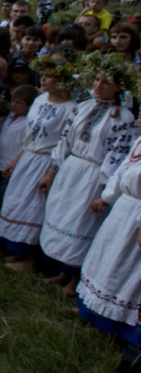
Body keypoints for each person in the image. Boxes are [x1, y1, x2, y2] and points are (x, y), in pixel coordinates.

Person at [39, 52, 138, 298]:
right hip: (72, 169)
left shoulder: (122, 117)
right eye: (96, 80)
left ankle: (74, 280)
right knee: (63, 217)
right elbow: (64, 139)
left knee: (82, 223)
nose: (98, 85)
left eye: (105, 82)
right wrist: (53, 171)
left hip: (93, 176)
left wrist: (104, 191)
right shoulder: (83, 107)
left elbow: (117, 155)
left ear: (118, 87)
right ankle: (63, 272)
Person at [0, 47, 80, 272]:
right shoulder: (41, 100)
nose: (44, 78)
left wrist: (51, 172)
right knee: (18, 202)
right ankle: (18, 250)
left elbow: (64, 144)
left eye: (50, 76)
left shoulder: (70, 108)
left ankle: (31, 260)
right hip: (29, 157)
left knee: (35, 207)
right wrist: (16, 160)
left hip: (45, 162)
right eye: (43, 74)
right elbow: (30, 135)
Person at [78, 133, 141, 344]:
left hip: (137, 219)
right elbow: (123, 169)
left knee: (125, 271)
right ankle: (96, 315)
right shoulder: (139, 140)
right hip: (124, 211)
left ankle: (117, 329)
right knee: (107, 264)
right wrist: (108, 196)